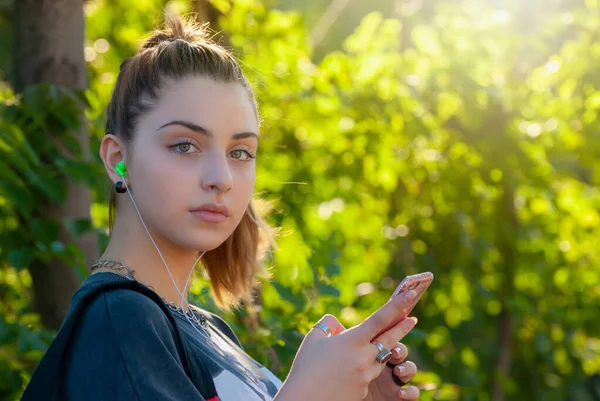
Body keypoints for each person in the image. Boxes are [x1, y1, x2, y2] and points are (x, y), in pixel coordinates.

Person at [23, 14, 421, 401]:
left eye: (240, 152)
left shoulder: (214, 331)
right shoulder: (117, 320)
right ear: (117, 160)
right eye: (185, 145)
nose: (222, 177)